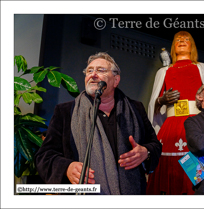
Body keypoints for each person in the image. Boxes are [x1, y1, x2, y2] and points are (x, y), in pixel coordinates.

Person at [35, 52, 162, 195]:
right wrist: (67, 167)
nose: (93, 74)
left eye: (101, 70)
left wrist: (146, 152)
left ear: (116, 80)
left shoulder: (136, 108)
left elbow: (155, 145)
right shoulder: (65, 112)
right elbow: (44, 157)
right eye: (89, 71)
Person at [146, 31, 204, 195]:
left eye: (186, 39)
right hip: (171, 128)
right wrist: (161, 100)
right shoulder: (163, 71)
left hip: (196, 126)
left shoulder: (203, 68)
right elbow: (153, 102)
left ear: (192, 46)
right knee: (165, 174)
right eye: (178, 40)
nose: (182, 41)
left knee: (199, 180)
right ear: (173, 47)